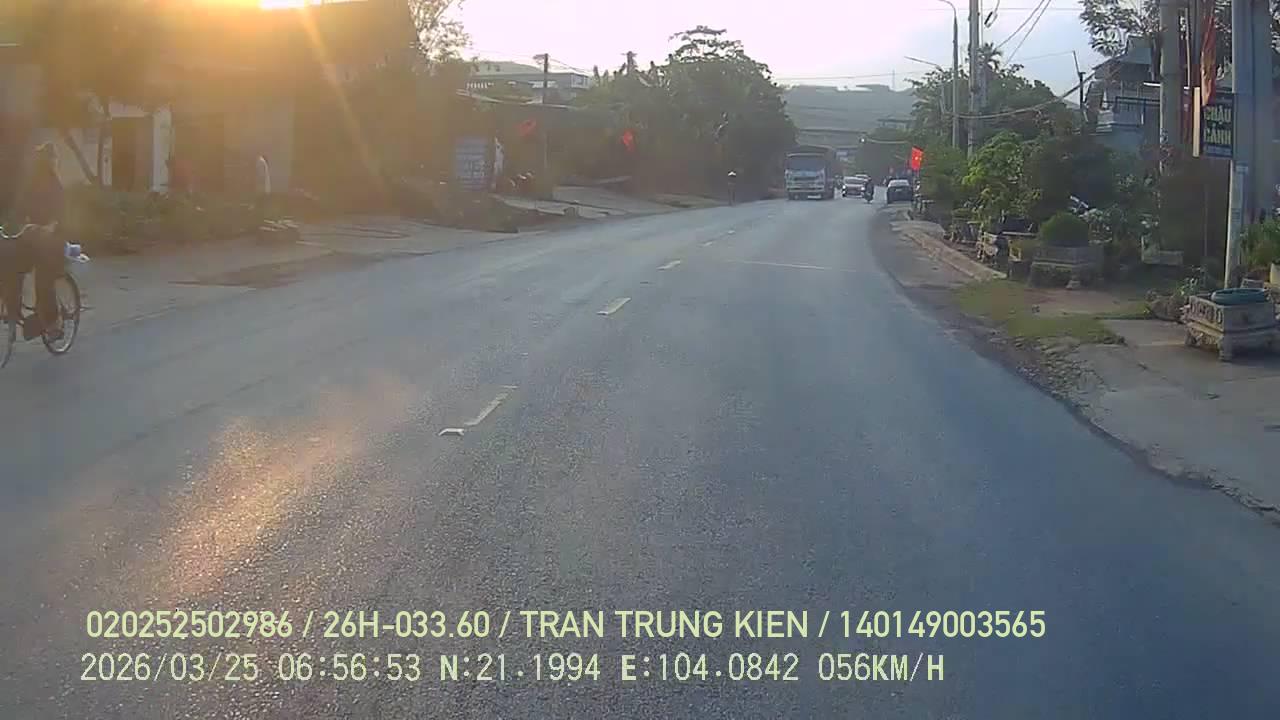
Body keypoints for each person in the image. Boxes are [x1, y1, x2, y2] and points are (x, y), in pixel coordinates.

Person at [2, 142, 66, 340]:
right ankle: (13, 308)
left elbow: (61, 212)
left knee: (43, 280)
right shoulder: (31, 184)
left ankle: (53, 324)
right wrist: (10, 226)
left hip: (52, 240)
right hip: (32, 236)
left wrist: (51, 226)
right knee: (11, 267)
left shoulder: (55, 185)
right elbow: (20, 208)